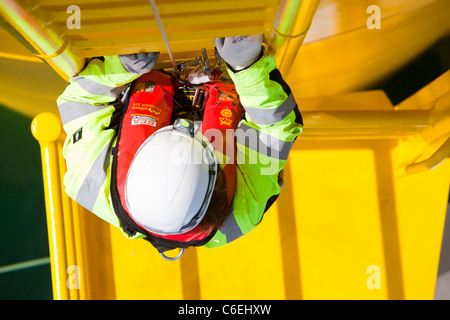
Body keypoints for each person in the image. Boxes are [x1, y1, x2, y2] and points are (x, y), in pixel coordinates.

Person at [56, 35, 303, 259]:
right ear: (214, 182)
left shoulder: (87, 180)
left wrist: (119, 69)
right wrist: (247, 66)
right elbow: (276, 131)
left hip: (145, 72)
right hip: (230, 80)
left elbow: (78, 103)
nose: (184, 125)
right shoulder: (245, 207)